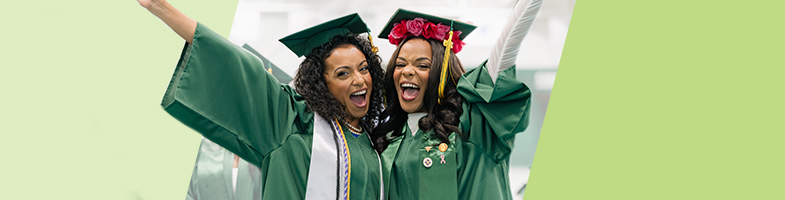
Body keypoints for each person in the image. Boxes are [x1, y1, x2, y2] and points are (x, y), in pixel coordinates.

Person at [137, 0, 385, 199]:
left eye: (363, 68)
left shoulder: (373, 140)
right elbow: (237, 65)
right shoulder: (293, 122)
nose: (359, 80)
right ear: (322, 84)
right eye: (343, 73)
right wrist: (159, 6)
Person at [370, 0, 542, 199]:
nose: (407, 71)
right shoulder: (390, 139)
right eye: (400, 64)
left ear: (442, 74)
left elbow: (507, 49)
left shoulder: (472, 125)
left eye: (423, 65)